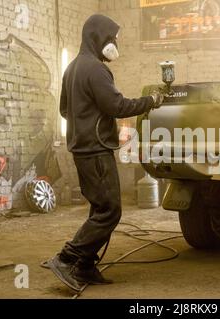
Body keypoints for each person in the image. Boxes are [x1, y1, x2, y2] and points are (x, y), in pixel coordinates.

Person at [47, 14, 164, 292]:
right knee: (110, 211)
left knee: (99, 207)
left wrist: (84, 121)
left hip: (82, 147)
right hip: (95, 150)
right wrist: (151, 101)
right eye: (111, 38)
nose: (114, 44)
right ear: (99, 38)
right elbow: (117, 106)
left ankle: (86, 266)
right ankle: (67, 258)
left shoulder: (73, 68)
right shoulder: (96, 70)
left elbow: (64, 109)